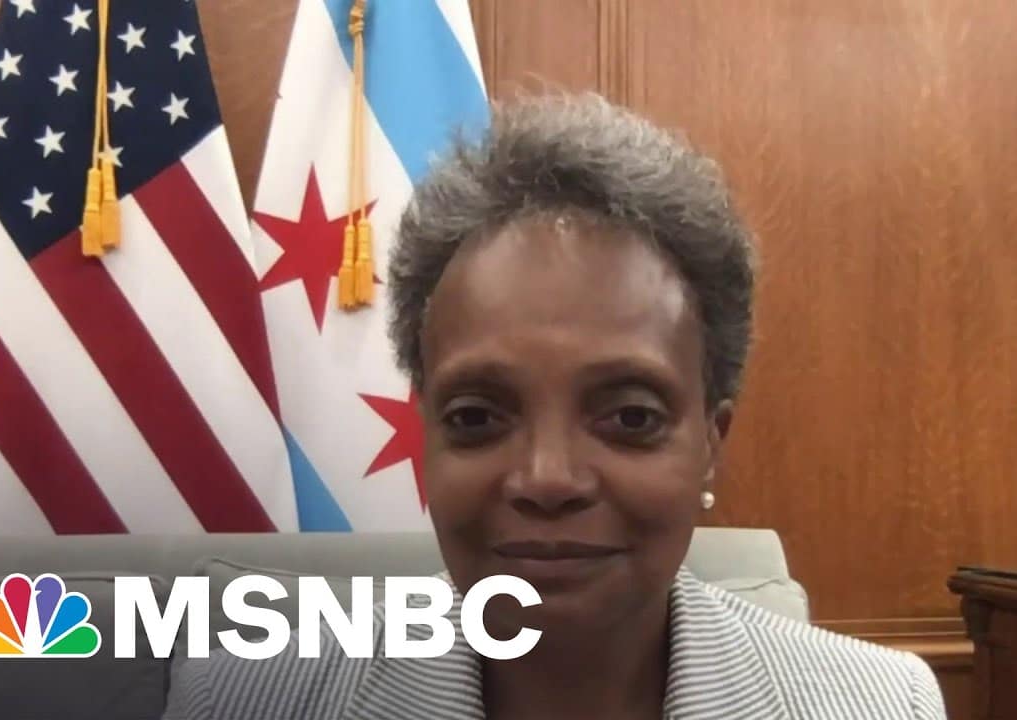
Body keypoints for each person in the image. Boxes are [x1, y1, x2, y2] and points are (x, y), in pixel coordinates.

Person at [163, 93, 946, 720]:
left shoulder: (877, 705)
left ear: (711, 443)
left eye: (630, 418)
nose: (546, 478)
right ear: (425, 437)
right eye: (477, 418)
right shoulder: (247, 700)